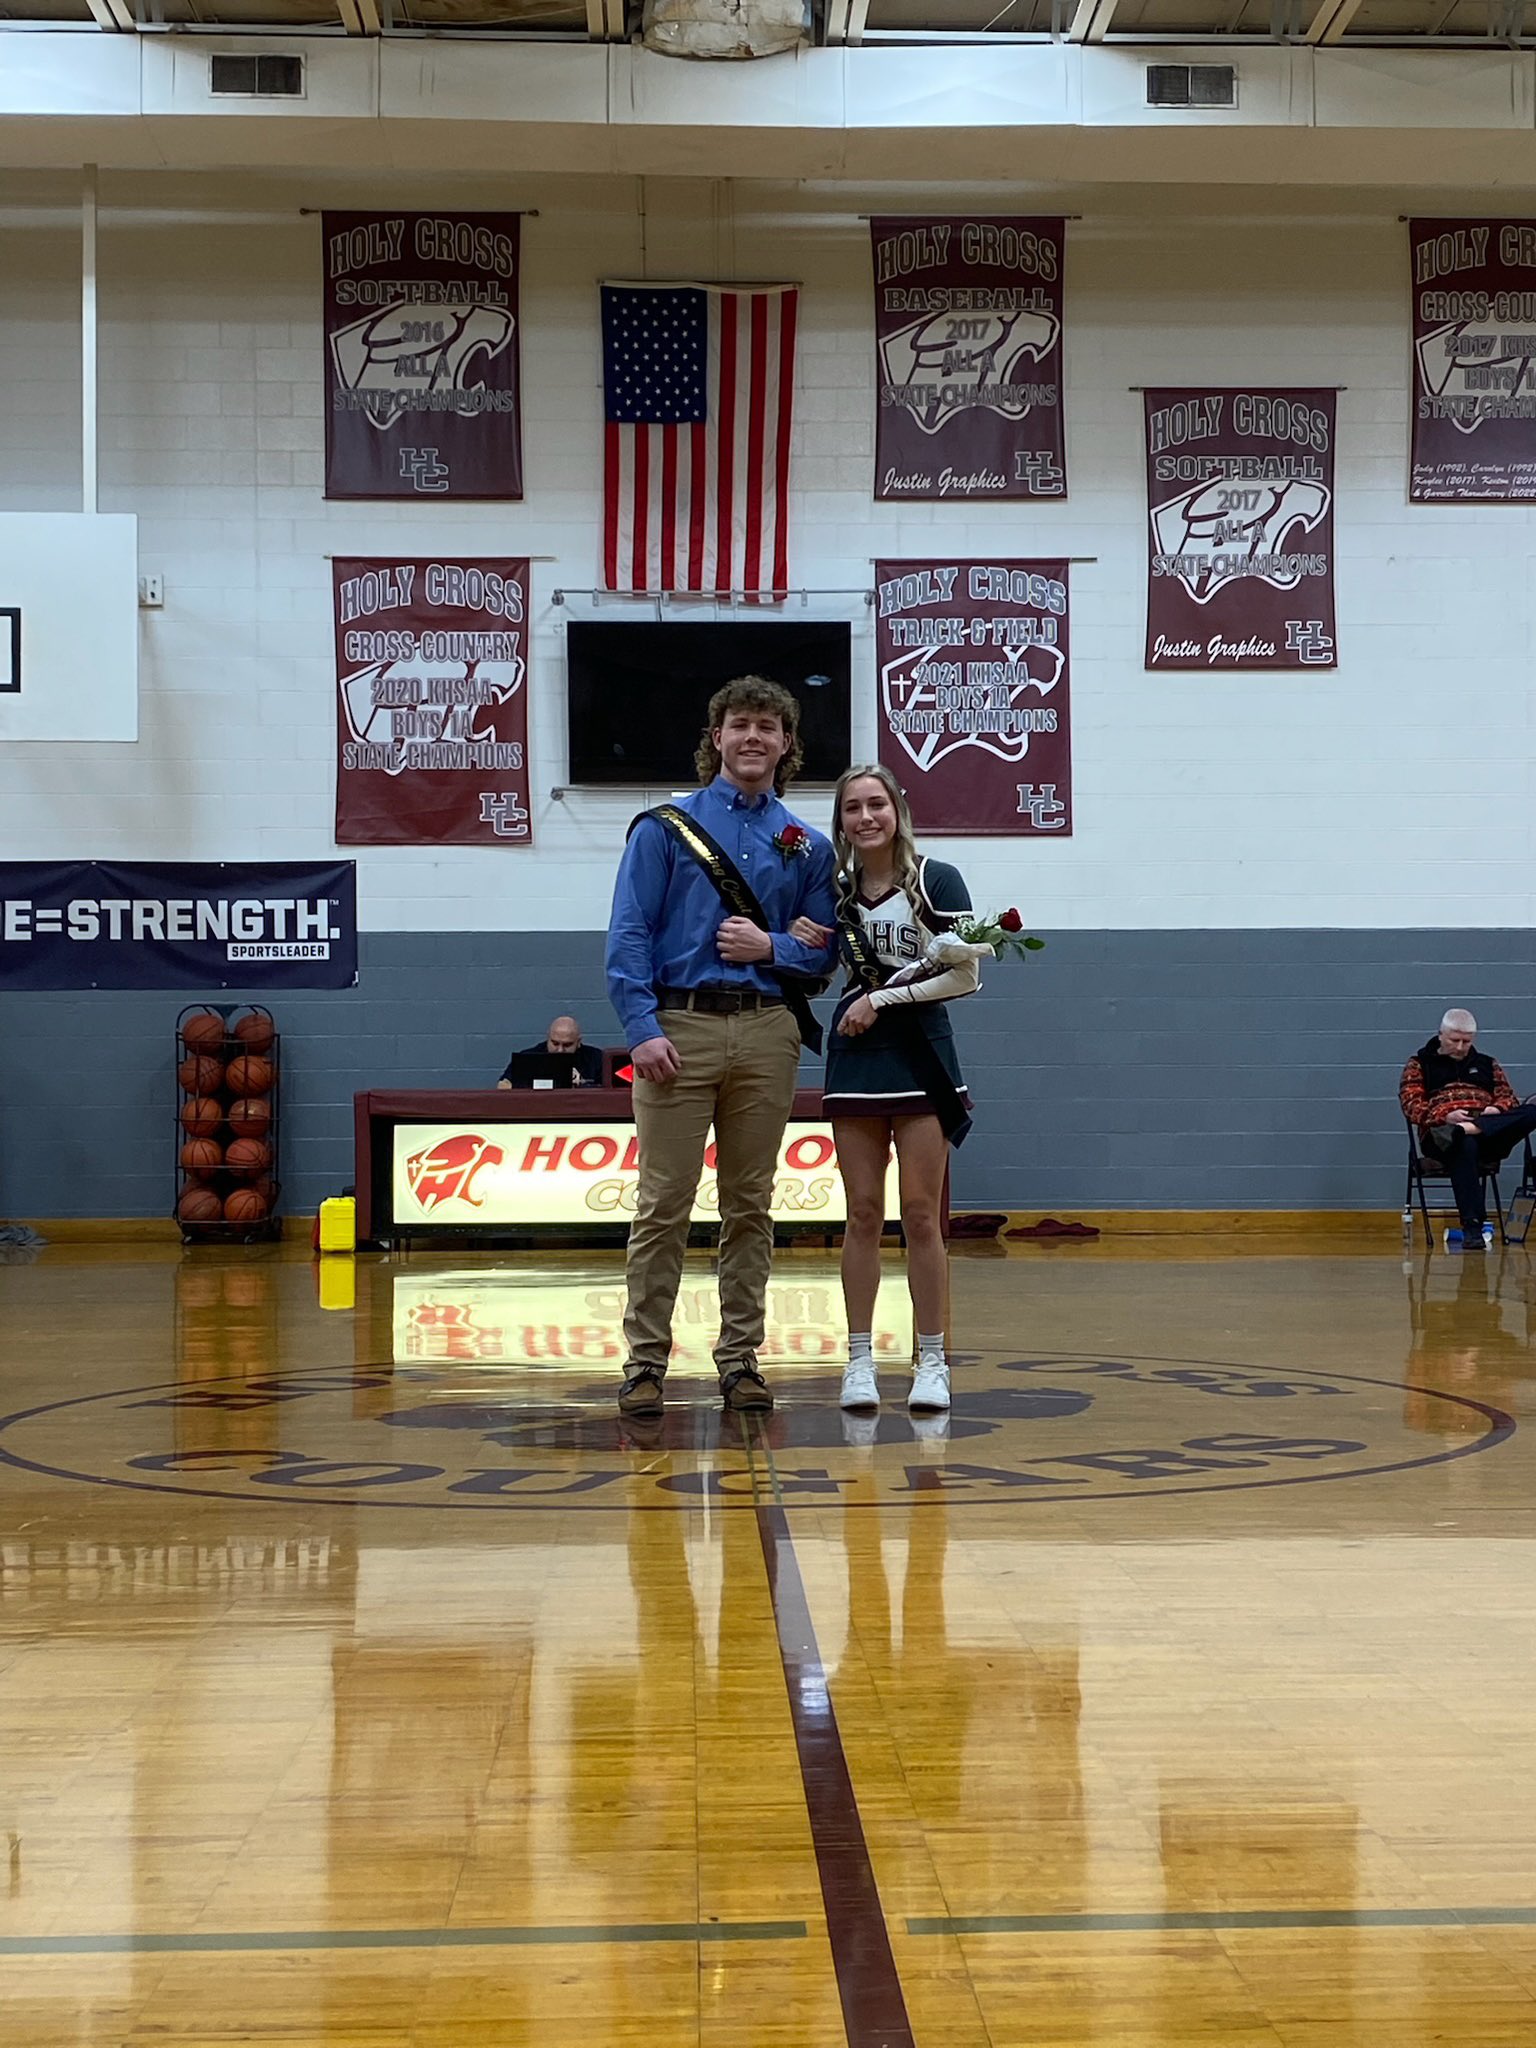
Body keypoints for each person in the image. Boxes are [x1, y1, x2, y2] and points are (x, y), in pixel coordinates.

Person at [605, 676, 837, 1416]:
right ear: (717, 737)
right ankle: (645, 1363)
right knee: (662, 1204)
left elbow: (825, 951)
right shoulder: (663, 830)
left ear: (787, 743)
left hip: (769, 1031)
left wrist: (772, 946)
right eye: (741, 724)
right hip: (679, 1027)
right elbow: (629, 933)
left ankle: (740, 1360)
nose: (753, 737)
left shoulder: (808, 845)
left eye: (768, 727)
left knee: (750, 1205)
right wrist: (641, 1028)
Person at [791, 763, 980, 1415]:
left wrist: (881, 998)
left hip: (923, 1054)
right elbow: (818, 976)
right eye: (853, 808)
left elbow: (966, 978)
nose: (866, 817)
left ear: (897, 810)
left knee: (922, 1214)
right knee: (863, 1214)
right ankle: (859, 1360)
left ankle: (932, 1360)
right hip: (856, 1058)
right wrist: (800, 945)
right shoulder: (834, 891)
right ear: (841, 821)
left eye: (877, 804)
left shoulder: (935, 879)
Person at [1399, 1008, 1536, 1248]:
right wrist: (1445, 1116)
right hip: (1443, 1133)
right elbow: (1411, 1105)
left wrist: (1496, 1110)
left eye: (1467, 1041)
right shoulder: (1419, 1064)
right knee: (1464, 1143)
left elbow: (1507, 1098)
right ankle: (1472, 1227)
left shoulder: (1487, 1063)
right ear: (1440, 1035)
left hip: (1489, 1131)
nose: (1461, 1047)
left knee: (1532, 1110)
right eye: (1455, 1040)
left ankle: (1473, 1127)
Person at [497, 1016, 604, 1089]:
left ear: (578, 1042)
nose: (560, 1050)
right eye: (555, 1043)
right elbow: (502, 1085)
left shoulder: (596, 1059)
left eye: (567, 1045)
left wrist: (583, 1084)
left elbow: (609, 1091)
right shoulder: (529, 1058)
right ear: (548, 1038)